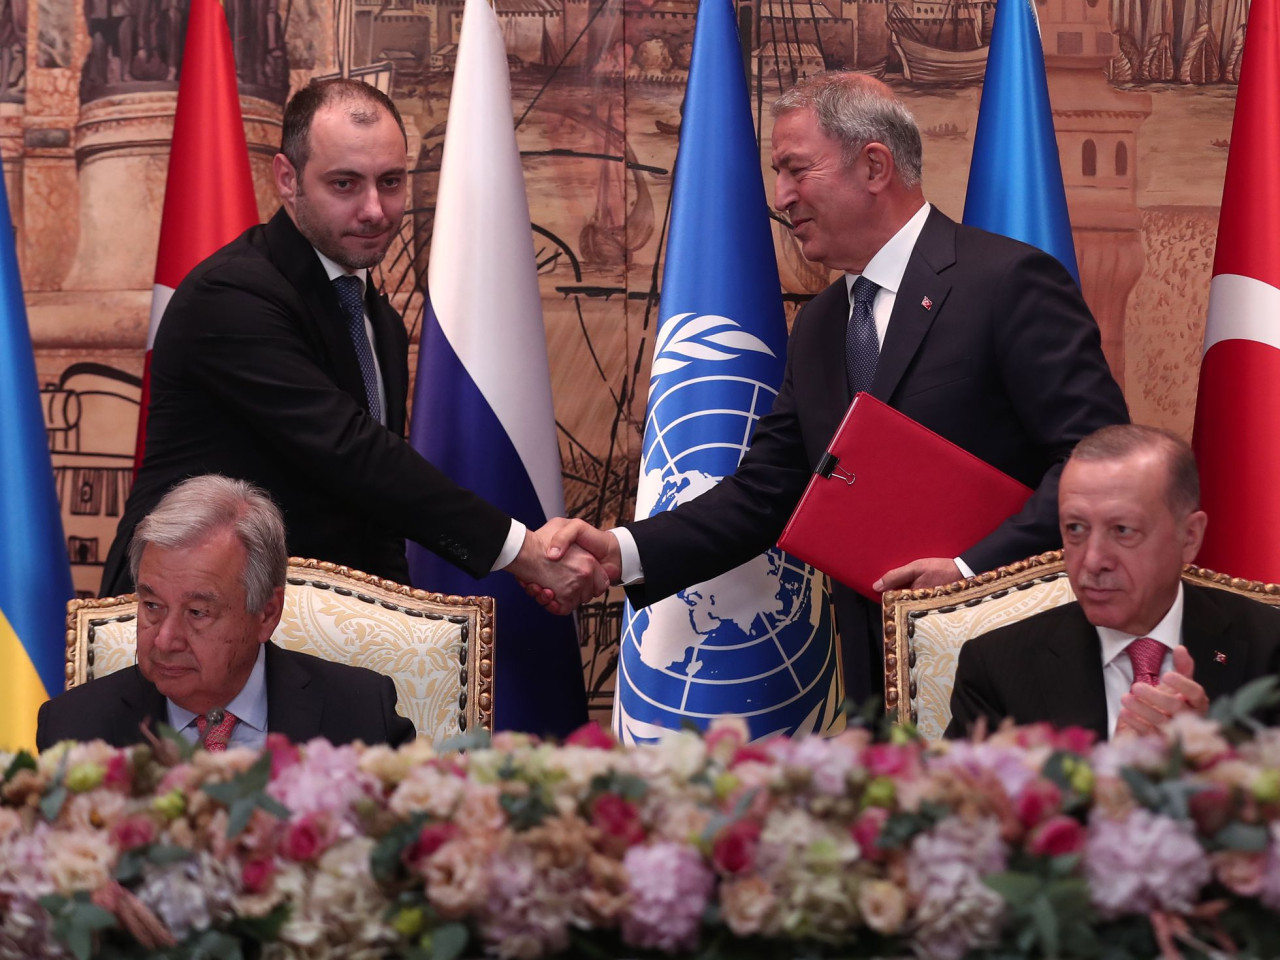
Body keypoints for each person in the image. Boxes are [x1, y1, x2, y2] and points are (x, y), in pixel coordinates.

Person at [533, 71, 1128, 703]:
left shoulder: (1008, 283)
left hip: (1018, 656)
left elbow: (1098, 462)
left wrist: (967, 574)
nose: (780, 196)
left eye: (795, 170)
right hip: (877, 675)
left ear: (874, 166)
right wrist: (617, 551)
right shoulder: (820, 325)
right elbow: (766, 493)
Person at [99, 78, 602, 609]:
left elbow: (375, 511)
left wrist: (400, 637)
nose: (375, 210)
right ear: (287, 179)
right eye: (345, 184)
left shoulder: (378, 320)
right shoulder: (231, 295)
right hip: (185, 622)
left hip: (315, 635)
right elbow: (354, 453)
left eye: (390, 182)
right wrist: (522, 549)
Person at [946, 425, 1280, 741]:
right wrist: (1111, 781)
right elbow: (965, 800)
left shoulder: (1269, 647)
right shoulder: (998, 668)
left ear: (1189, 538)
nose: (1092, 561)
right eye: (1075, 529)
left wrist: (1210, 764)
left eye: (1122, 530)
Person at [37, 475, 417, 751]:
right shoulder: (75, 729)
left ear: (267, 614)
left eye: (198, 612)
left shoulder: (362, 716)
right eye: (153, 606)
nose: (165, 639)